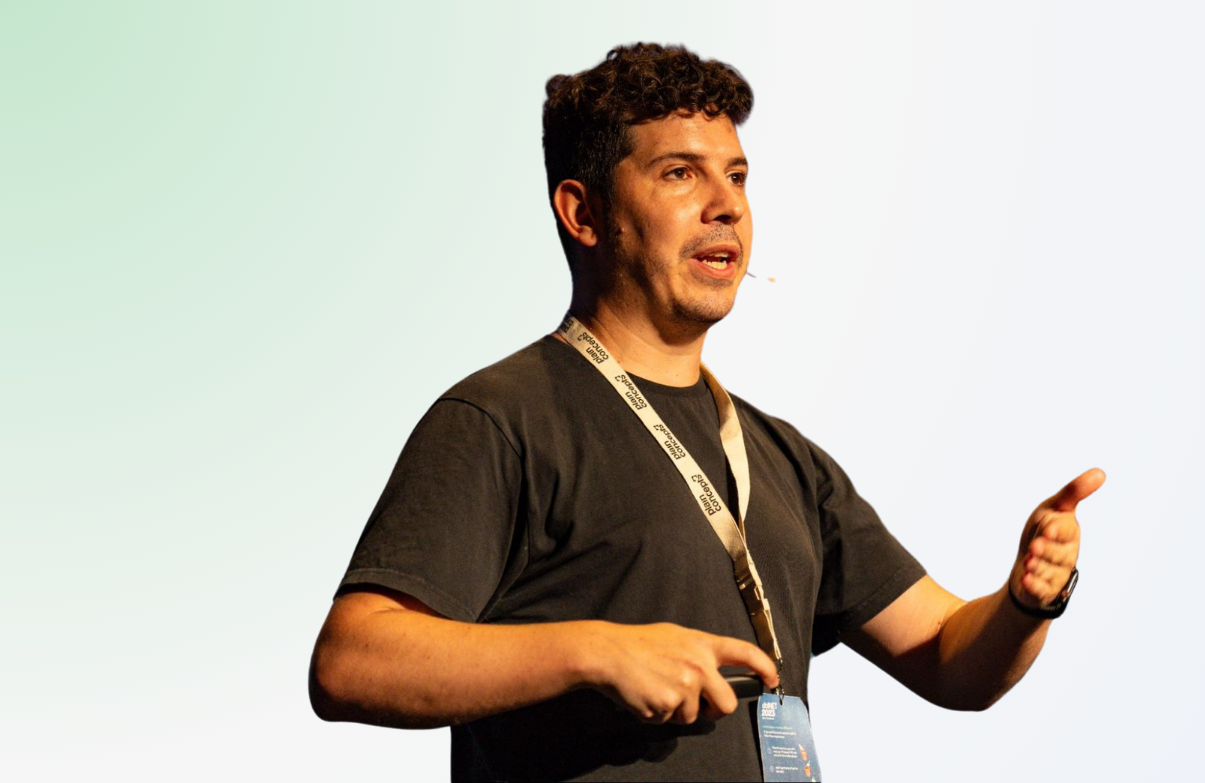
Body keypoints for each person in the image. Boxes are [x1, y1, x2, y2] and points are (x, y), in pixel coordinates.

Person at [309, 43, 1104, 782]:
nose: (726, 206)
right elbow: (352, 662)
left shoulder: (784, 458)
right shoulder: (503, 417)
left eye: (738, 176)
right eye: (681, 175)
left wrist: (1028, 601)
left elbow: (945, 657)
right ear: (582, 213)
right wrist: (593, 652)